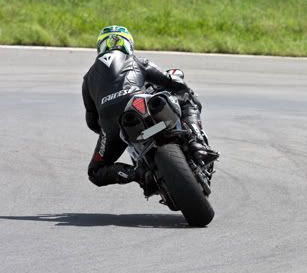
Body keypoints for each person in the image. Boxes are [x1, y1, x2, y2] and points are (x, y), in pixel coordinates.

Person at [82, 25, 218, 190]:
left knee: (95, 172)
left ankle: (136, 173)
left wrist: (109, 134)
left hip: (112, 122)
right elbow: (169, 81)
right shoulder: (135, 60)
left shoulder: (88, 77)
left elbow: (91, 120)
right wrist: (186, 90)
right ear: (128, 45)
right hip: (139, 102)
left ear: (100, 47)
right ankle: (197, 144)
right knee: (187, 99)